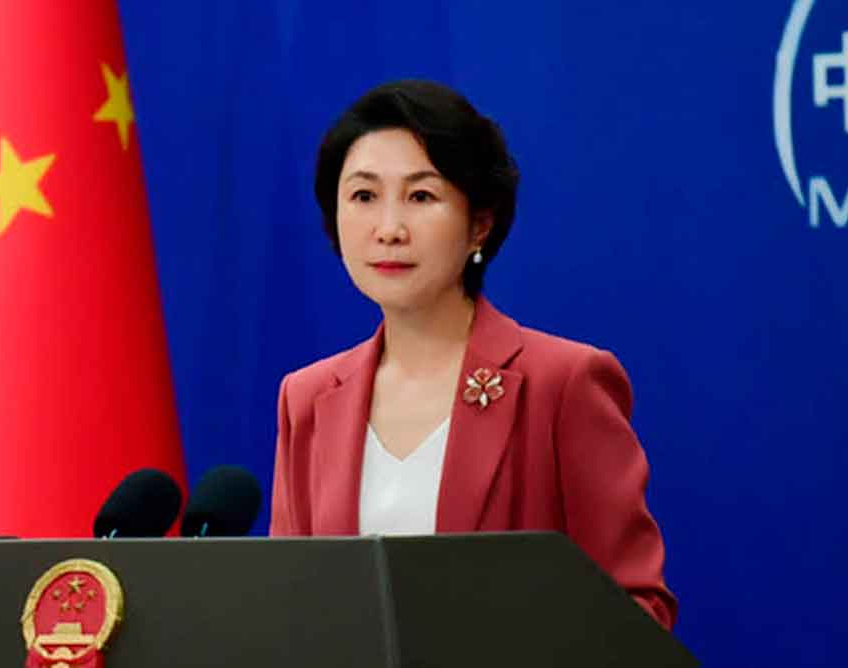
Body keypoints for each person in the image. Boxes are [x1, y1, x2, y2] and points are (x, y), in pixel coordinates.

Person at [269, 80, 677, 630]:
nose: (388, 229)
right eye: (364, 196)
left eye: (421, 197)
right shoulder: (308, 397)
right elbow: (293, 608)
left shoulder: (562, 382)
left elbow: (637, 611)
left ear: (478, 225)